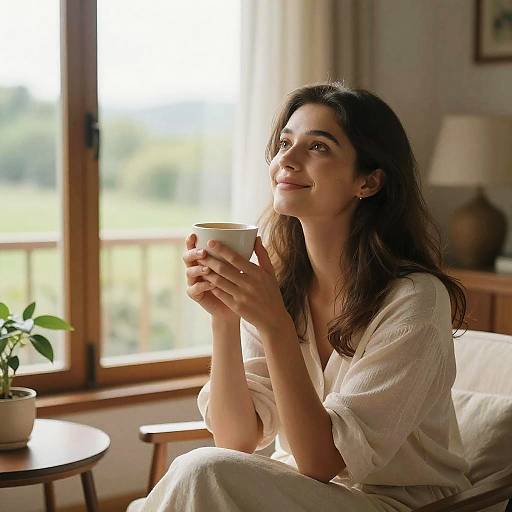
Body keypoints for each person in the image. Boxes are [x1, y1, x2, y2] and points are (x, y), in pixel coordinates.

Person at [142, 83, 472, 511]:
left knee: (202, 471)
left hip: (395, 504)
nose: (287, 161)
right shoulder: (282, 285)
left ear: (369, 181)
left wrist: (274, 324)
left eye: (317, 146)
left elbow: (322, 461)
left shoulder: (415, 301)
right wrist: (223, 318)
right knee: (206, 469)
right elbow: (236, 438)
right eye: (284, 143)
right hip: (302, 493)